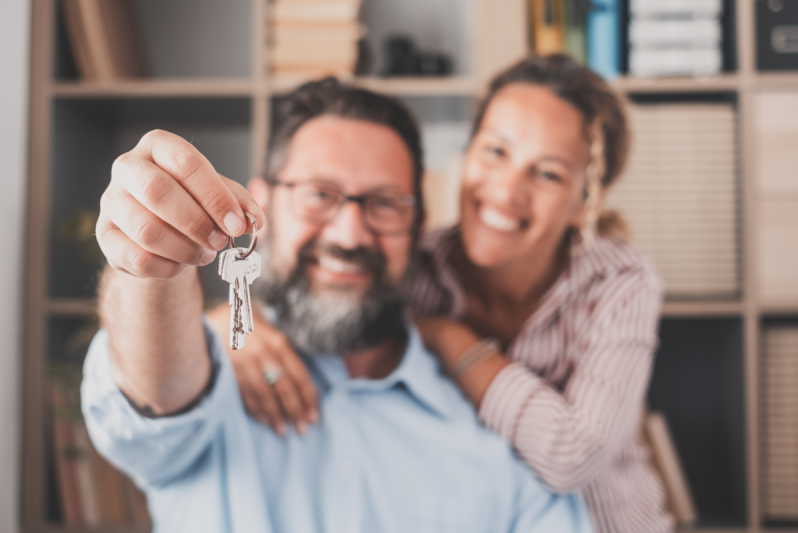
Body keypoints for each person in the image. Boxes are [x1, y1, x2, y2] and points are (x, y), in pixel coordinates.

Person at [83, 78, 594, 533]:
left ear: (420, 225)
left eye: (386, 203)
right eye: (318, 194)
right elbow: (158, 391)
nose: (350, 234)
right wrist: (150, 266)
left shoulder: (497, 430)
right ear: (260, 205)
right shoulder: (211, 374)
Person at [216, 55, 673, 533]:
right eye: (496, 152)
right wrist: (221, 323)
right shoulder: (415, 258)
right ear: (467, 152)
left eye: (549, 174)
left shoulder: (619, 283)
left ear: (584, 203)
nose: (506, 190)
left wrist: (448, 337)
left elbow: (570, 458)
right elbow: (309, 293)